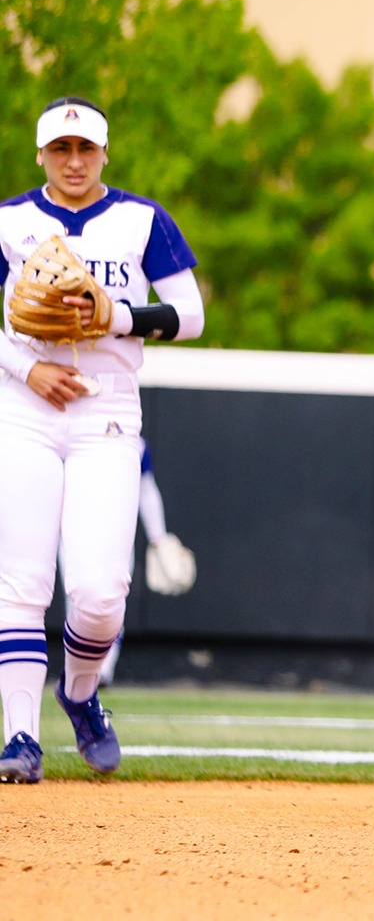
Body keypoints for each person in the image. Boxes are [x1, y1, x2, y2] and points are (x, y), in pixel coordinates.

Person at [0, 97, 204, 784]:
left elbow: (192, 315)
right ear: (41, 156)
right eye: (61, 149)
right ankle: (20, 739)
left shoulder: (141, 221)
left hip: (108, 413)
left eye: (85, 148)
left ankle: (81, 696)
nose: (74, 160)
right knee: (22, 582)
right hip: (24, 410)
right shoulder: (10, 222)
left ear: (105, 153)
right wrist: (28, 366)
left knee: (100, 592)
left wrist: (116, 314)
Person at [98, 438, 198, 687]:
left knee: (112, 598)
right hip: (73, 531)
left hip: (119, 533)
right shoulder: (71, 428)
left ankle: (103, 670)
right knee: (78, 599)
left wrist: (159, 538)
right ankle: (79, 668)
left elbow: (147, 489)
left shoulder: (135, 442)